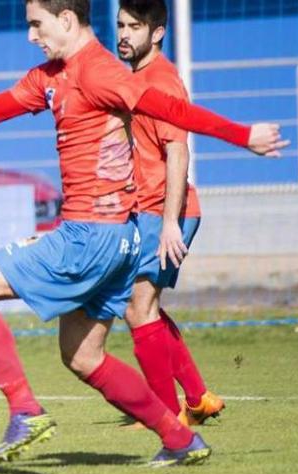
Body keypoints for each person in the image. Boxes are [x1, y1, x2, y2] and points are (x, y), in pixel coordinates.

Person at [0, 0, 288, 467]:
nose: (30, 36)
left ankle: (24, 409)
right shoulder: (50, 76)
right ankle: (180, 439)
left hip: (88, 236)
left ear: (66, 20)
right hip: (117, 242)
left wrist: (243, 136)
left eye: (36, 25)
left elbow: (173, 111)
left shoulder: (100, 72)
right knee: (83, 357)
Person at [116, 0, 224, 426]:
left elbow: (178, 152)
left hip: (167, 213)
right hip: (148, 211)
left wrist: (167, 223)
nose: (124, 34)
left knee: (137, 309)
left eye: (134, 26)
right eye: (121, 25)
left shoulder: (161, 82)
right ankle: (197, 397)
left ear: (157, 32)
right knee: (146, 309)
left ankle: (167, 416)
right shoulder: (136, 78)